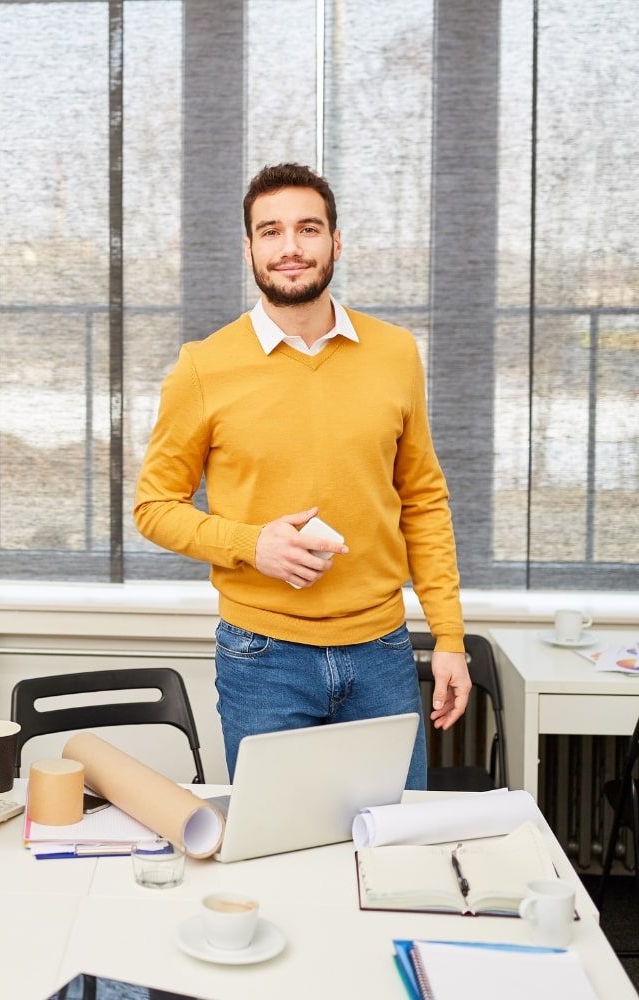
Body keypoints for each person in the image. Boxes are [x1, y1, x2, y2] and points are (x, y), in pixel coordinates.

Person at [133, 162, 470, 788]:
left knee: (392, 858)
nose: (290, 248)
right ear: (250, 248)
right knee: (278, 865)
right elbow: (154, 505)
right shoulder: (203, 368)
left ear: (336, 243)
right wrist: (251, 544)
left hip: (383, 653)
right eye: (271, 231)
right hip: (262, 660)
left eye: (308, 229)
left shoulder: (396, 353)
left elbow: (423, 500)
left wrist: (448, 636)